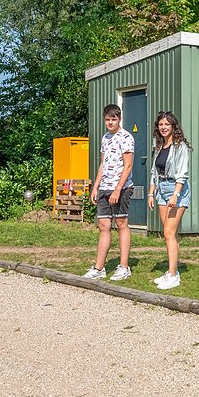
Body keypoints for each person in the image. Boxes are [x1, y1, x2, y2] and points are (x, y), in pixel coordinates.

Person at [83, 104, 134, 281]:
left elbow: (128, 166)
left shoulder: (126, 137)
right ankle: (99, 268)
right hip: (104, 186)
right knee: (104, 226)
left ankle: (124, 267)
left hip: (121, 187)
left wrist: (118, 189)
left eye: (114, 119)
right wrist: (95, 186)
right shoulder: (105, 138)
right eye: (107, 119)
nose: (110, 122)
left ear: (119, 119)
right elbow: (103, 164)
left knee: (121, 224)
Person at [150, 110, 191, 290]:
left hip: (176, 190)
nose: (163, 127)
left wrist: (175, 194)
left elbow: (183, 172)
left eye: (167, 124)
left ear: (173, 126)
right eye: (161, 124)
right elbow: (154, 172)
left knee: (168, 233)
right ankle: (170, 270)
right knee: (168, 235)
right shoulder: (159, 145)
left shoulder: (179, 146)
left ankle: (174, 276)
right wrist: (151, 193)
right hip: (161, 190)